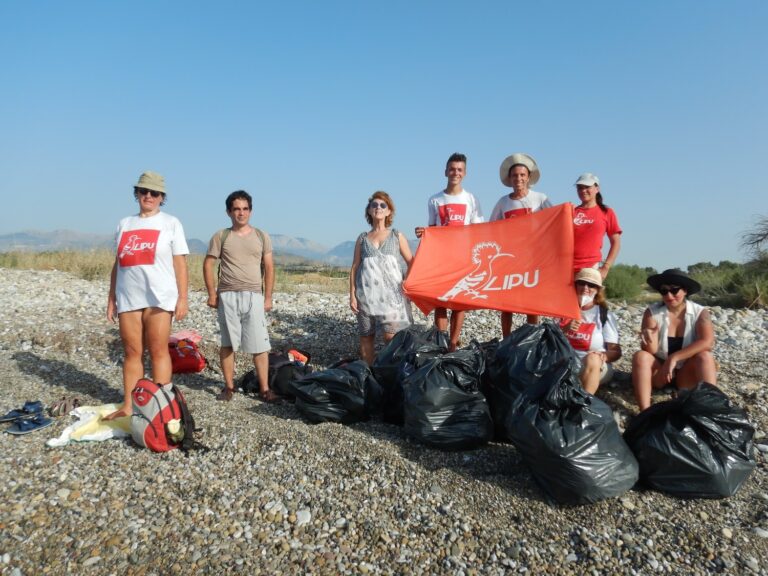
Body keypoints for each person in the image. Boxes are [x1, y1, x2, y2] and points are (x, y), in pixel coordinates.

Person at [105, 171, 189, 420]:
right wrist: (111, 297)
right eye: (144, 191)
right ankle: (129, 406)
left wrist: (182, 298)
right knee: (132, 352)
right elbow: (117, 263)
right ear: (137, 194)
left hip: (159, 297)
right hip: (128, 297)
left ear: (162, 197)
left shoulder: (171, 223)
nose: (148, 196)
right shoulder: (124, 224)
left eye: (154, 193)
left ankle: (160, 408)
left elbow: (180, 263)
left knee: (158, 350)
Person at [203, 190, 277, 402]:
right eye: (236, 209)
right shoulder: (221, 236)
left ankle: (265, 389)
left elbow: (270, 267)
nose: (241, 213)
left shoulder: (262, 236)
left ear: (251, 211)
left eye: (245, 209)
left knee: (260, 346)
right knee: (227, 343)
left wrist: (268, 297)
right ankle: (228, 387)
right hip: (227, 295)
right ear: (229, 212)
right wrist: (211, 293)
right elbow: (208, 264)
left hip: (253, 295)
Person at [415, 152, 484, 351]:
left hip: (463, 258)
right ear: (446, 171)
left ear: (465, 173)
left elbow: (477, 231)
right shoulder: (435, 200)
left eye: (460, 170)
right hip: (442, 259)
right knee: (441, 302)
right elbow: (433, 231)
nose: (456, 173)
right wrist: (424, 232)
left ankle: (453, 343)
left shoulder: (471, 199)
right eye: (452, 169)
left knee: (460, 302)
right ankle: (441, 341)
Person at [632, 269, 717, 411]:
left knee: (705, 356)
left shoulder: (700, 312)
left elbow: (707, 342)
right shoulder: (652, 312)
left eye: (674, 290)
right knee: (640, 356)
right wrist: (648, 338)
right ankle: (644, 412)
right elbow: (650, 351)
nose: (669, 296)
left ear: (685, 291)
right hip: (661, 374)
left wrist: (674, 358)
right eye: (664, 291)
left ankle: (711, 409)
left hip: (686, 374)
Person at [490, 152, 551, 336]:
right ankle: (506, 337)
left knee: (532, 301)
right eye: (515, 175)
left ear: (529, 177)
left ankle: (532, 336)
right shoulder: (503, 202)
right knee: (506, 301)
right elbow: (491, 228)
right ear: (510, 178)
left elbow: (554, 220)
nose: (519, 178)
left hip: (533, 259)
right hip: (510, 260)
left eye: (522, 175)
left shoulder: (540, 199)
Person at [349, 191, 413, 364]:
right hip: (366, 294)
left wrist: (409, 282)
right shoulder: (362, 238)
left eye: (382, 205)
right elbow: (355, 266)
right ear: (369, 211)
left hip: (392, 295)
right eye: (374, 205)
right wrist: (352, 294)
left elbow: (411, 261)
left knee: (391, 336)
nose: (378, 208)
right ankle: (369, 375)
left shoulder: (396, 235)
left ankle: (392, 371)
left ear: (389, 211)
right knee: (366, 336)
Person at [560, 268, 622, 394]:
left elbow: (616, 351)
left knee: (592, 359)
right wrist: (565, 329)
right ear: (575, 285)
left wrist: (602, 356)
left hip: (593, 367)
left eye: (591, 285)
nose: (585, 288)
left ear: (597, 290)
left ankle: (584, 402)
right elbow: (551, 341)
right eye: (581, 283)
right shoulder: (563, 310)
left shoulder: (604, 315)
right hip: (565, 364)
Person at [572, 173, 622, 278]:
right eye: (580, 188)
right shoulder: (571, 212)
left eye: (587, 187)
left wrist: (606, 267)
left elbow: (616, 242)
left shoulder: (607, 212)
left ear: (597, 188)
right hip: (567, 267)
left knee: (587, 295)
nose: (583, 191)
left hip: (591, 268)